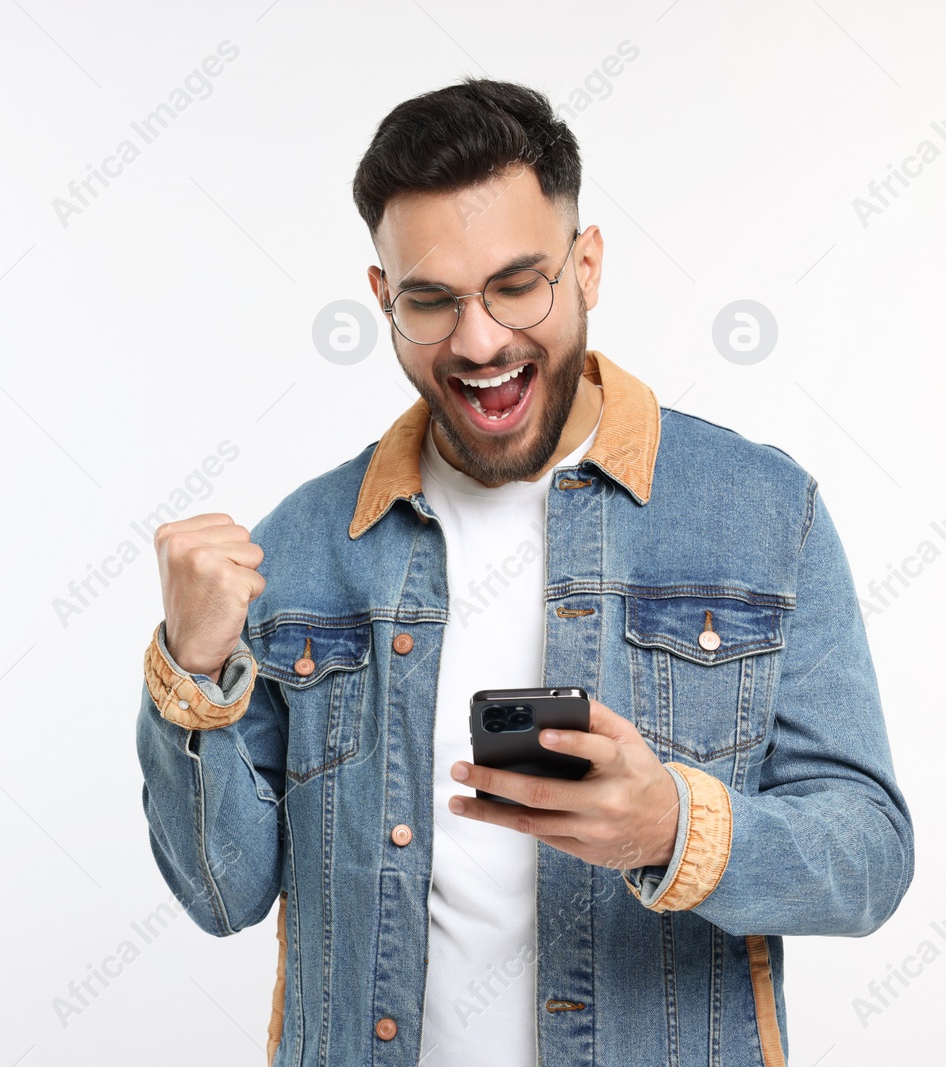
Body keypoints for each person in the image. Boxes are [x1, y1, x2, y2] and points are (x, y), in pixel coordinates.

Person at [134, 78, 913, 1067]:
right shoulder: (302, 544)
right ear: (382, 299)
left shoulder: (761, 511)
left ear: (585, 266)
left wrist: (670, 825)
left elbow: (868, 858)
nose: (479, 340)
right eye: (431, 299)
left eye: (516, 284)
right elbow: (218, 891)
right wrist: (187, 671)